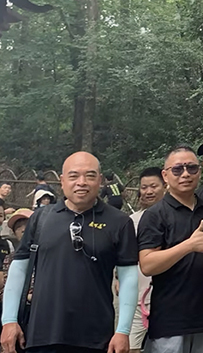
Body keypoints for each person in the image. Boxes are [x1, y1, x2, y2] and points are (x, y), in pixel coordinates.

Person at [0, 151, 139, 353]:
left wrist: (123, 331)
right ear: (62, 181)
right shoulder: (41, 218)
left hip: (95, 338)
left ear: (100, 180)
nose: (81, 182)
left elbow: (128, 277)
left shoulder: (119, 222)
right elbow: (19, 269)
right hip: (41, 335)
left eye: (90, 176)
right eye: (74, 176)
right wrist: (9, 320)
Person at [137, 146, 203, 353]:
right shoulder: (155, 215)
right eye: (177, 169)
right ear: (165, 175)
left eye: (191, 168)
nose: (185, 174)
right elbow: (147, 264)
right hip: (170, 322)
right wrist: (188, 246)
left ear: (199, 172)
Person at [128, 167, 166, 353]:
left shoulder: (174, 217)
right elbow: (124, 254)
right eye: (144, 187)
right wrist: (118, 277)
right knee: (131, 346)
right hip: (137, 296)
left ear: (165, 186)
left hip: (166, 298)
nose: (148, 191)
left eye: (153, 186)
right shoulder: (131, 221)